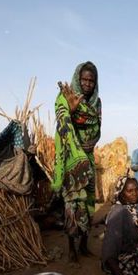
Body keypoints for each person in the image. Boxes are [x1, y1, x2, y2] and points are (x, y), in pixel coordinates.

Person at [52, 61, 101, 262]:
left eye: (91, 80)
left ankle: (84, 245)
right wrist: (72, 111)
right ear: (78, 79)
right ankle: (72, 247)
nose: (88, 84)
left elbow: (98, 127)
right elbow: (62, 121)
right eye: (84, 79)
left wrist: (90, 143)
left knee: (88, 203)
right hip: (72, 158)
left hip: (88, 159)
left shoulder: (97, 103)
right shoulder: (66, 96)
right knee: (72, 204)